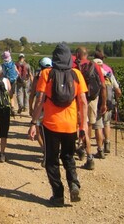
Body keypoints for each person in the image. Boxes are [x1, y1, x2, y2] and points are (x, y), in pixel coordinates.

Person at [28, 43, 88, 207]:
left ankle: (58, 195)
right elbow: (82, 101)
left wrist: (33, 122)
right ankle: (74, 183)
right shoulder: (76, 74)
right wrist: (83, 125)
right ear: (69, 57)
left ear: (54, 57)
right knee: (68, 156)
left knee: (51, 161)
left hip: (51, 125)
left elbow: (40, 99)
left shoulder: (47, 73)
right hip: (70, 125)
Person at [73, 47, 107, 169]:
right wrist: (103, 103)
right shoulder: (95, 66)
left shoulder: (74, 67)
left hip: (78, 100)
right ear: (87, 55)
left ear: (77, 54)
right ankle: (89, 156)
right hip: (92, 100)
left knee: (77, 126)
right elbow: (102, 86)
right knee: (89, 126)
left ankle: (79, 147)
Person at [93, 57, 122, 154]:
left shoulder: (93, 75)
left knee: (98, 126)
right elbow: (118, 91)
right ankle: (107, 143)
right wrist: (116, 99)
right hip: (109, 103)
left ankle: (100, 149)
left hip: (98, 104)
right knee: (107, 123)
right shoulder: (109, 75)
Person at [28, 57, 52, 167]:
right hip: (51, 109)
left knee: (38, 132)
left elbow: (32, 94)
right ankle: (49, 153)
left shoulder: (38, 77)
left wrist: (30, 107)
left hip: (40, 108)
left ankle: (45, 152)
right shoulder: (56, 75)